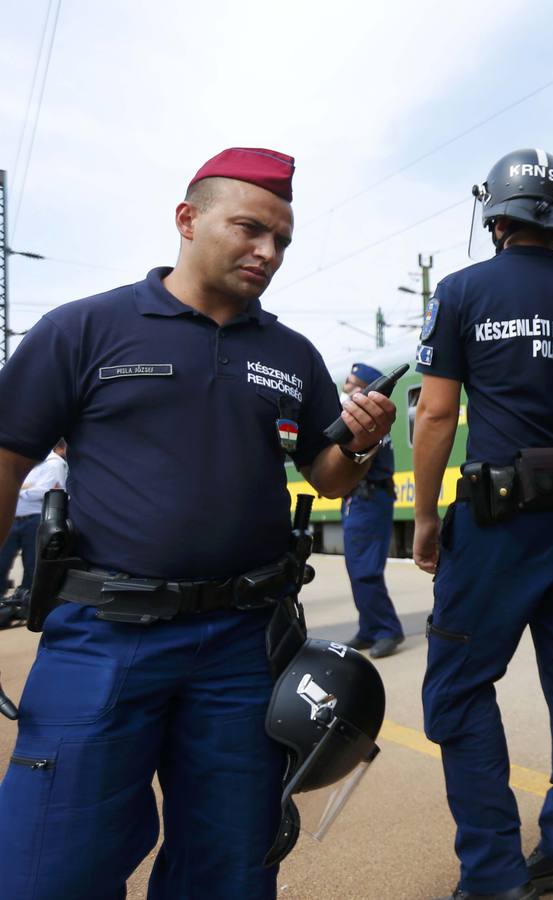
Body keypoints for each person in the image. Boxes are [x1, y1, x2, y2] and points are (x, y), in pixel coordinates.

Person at [0, 148, 397, 899]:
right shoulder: (84, 329)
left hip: (242, 647)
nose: (268, 252)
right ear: (187, 219)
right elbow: (7, 459)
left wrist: (364, 441)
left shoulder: (290, 354)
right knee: (49, 867)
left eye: (281, 240)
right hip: (104, 635)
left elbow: (327, 474)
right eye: (250, 229)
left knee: (229, 869)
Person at [412, 148, 553, 900]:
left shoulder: (464, 290)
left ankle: (493, 872)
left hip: (494, 523)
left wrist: (425, 520)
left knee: (460, 688)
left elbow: (436, 412)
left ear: (496, 216)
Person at [339, 362, 405, 659]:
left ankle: (387, 629)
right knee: (357, 568)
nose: (345, 388)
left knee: (365, 569)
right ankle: (369, 627)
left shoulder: (368, 422)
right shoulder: (368, 420)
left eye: (351, 383)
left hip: (368, 499)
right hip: (360, 499)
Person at [0, 440, 66, 597]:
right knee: (2, 560)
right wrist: (24, 487)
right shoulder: (23, 462)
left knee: (32, 564)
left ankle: (26, 602)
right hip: (15, 519)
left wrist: (17, 488)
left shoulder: (53, 464)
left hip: (34, 520)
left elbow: (43, 491)